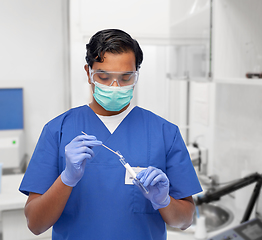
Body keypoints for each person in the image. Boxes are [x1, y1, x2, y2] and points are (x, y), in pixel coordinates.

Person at [19, 29, 202, 240]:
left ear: (136, 75)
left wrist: (164, 202)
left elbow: (185, 220)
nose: (115, 87)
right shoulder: (57, 131)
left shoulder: (164, 133)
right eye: (104, 77)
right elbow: (35, 224)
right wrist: (66, 179)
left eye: (126, 77)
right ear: (88, 73)